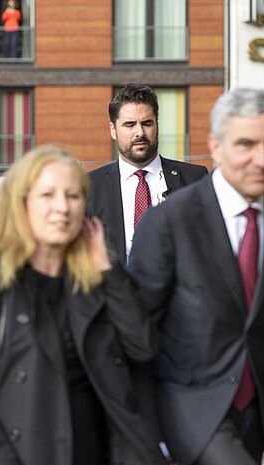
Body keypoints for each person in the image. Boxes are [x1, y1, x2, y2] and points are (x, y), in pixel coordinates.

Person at [0, 145, 166, 465]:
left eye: (73, 196)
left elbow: (143, 346)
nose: (62, 207)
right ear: (22, 204)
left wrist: (108, 271)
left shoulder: (92, 281)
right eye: (48, 195)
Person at [129, 88, 264, 465]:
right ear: (216, 147)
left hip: (255, 410)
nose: (261, 159)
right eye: (247, 144)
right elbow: (139, 331)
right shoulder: (169, 222)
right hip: (191, 409)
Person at [88, 84, 207, 263]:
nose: (140, 133)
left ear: (157, 125)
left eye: (147, 123)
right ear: (113, 130)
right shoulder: (90, 186)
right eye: (130, 125)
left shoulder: (195, 179)